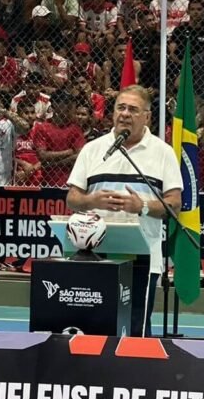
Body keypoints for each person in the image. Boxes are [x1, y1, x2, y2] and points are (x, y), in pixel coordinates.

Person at [66, 85, 182, 337]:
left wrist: (141, 206)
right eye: (121, 107)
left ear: (147, 117)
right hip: (95, 254)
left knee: (137, 328)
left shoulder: (163, 153)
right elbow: (72, 198)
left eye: (133, 109)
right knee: (93, 326)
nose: (125, 114)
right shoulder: (93, 149)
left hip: (141, 256)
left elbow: (174, 203)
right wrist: (91, 200)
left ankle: (137, 376)